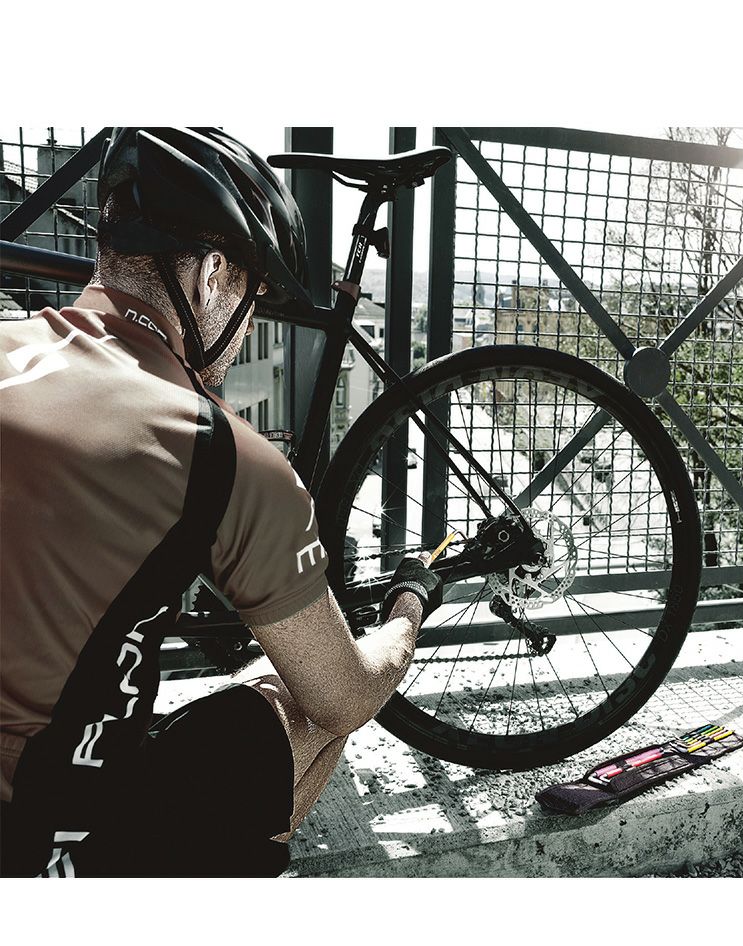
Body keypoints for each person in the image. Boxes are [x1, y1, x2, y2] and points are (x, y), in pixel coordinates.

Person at [0, 126, 441, 877]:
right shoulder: (223, 454)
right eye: (254, 294)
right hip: (40, 847)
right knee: (298, 708)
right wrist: (409, 605)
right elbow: (343, 699)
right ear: (211, 276)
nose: (250, 325)